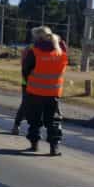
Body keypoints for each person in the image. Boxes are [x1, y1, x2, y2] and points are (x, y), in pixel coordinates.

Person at [22, 26, 68, 156]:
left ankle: (34, 144)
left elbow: (26, 69)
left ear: (38, 37)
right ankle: (54, 147)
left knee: (34, 119)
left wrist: (28, 82)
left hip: (35, 91)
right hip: (53, 92)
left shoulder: (34, 51)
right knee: (53, 121)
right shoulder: (61, 50)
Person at [11, 46, 32, 135]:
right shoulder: (30, 49)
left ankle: (33, 130)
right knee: (25, 104)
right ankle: (17, 125)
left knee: (33, 106)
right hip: (28, 82)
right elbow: (25, 67)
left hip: (39, 83)